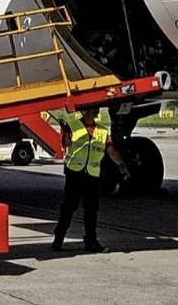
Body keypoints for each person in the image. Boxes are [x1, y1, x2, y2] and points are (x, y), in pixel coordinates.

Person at [53, 107, 129, 252]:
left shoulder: (102, 131)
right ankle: (59, 238)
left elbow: (110, 150)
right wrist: (65, 131)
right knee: (68, 208)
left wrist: (121, 164)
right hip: (75, 172)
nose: (96, 113)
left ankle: (91, 242)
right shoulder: (73, 126)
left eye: (96, 111)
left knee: (91, 210)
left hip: (92, 175)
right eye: (94, 110)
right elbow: (65, 144)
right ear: (87, 112)